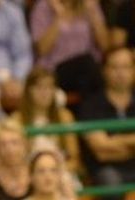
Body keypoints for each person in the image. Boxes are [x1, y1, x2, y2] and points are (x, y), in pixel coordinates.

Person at [78, 47, 135, 187]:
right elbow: (101, 150)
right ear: (104, 70)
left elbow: (107, 145)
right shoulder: (90, 105)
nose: (120, 73)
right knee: (110, 180)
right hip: (106, 171)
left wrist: (113, 141)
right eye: (114, 67)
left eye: (126, 67)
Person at [30, 0, 107, 97]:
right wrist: (60, 17)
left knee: (86, 79)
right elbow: (42, 49)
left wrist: (93, 14)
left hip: (85, 73)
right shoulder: (44, 6)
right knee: (86, 63)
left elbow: (104, 46)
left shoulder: (89, 4)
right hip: (54, 70)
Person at [11, 67, 81, 174]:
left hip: (61, 173)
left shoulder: (65, 116)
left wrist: (55, 173)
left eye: (49, 87)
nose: (44, 93)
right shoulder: (16, 119)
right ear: (28, 90)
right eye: (39, 87)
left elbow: (74, 158)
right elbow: (13, 160)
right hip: (28, 175)